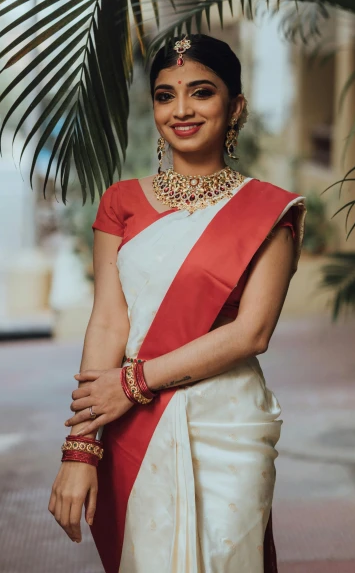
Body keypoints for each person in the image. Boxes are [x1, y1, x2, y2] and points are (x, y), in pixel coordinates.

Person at [48, 34, 306, 573]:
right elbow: (107, 322)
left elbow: (251, 333)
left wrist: (133, 383)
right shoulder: (120, 203)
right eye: (165, 95)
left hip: (226, 426)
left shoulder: (267, 212)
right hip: (131, 425)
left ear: (235, 106)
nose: (181, 110)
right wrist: (80, 450)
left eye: (201, 92)